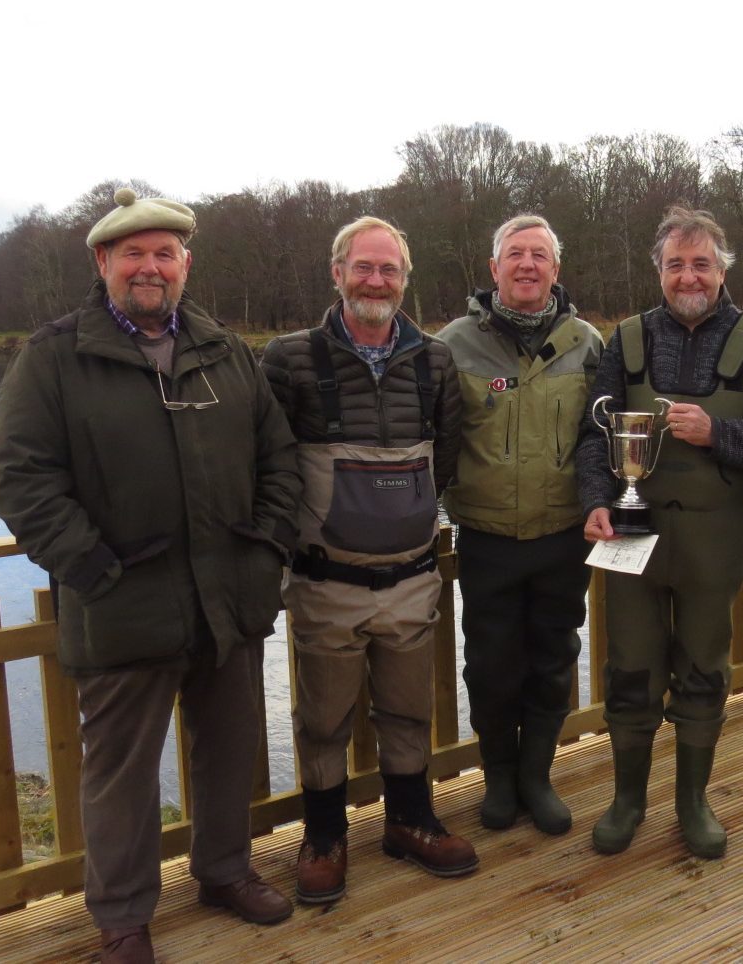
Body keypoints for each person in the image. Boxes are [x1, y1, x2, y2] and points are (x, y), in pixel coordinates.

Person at [0, 189, 298, 964]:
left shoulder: (225, 350)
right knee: (121, 774)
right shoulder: (54, 357)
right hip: (122, 602)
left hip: (226, 597)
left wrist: (267, 551)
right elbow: (20, 480)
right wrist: (92, 566)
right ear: (103, 263)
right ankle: (123, 919)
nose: (150, 267)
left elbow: (278, 460)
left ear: (186, 264)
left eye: (164, 254)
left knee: (229, 749)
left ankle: (225, 872)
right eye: (134, 254)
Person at [576, 206, 743, 859]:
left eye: (700, 263)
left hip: (714, 534)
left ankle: (692, 802)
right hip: (628, 528)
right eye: (675, 264)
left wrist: (719, 432)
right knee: (629, 668)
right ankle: (627, 802)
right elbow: (592, 440)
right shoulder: (622, 340)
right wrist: (596, 499)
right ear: (658, 270)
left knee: (705, 668)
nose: (688, 276)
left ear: (722, 268)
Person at [261, 216, 471, 906]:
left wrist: (400, 522)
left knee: (410, 711)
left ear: (405, 280)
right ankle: (323, 837)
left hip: (412, 578)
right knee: (322, 719)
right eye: (364, 267)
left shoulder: (436, 360)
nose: (376, 281)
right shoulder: (288, 360)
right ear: (337, 272)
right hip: (326, 582)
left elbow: (447, 455)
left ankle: (409, 821)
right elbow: (267, 465)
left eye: (389, 270)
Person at [438, 215, 604, 835]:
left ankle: (537, 775)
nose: (527, 264)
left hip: (563, 535)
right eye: (515, 254)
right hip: (486, 538)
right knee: (490, 665)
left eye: (539, 255)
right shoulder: (452, 345)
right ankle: (499, 776)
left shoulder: (587, 343)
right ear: (494, 269)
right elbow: (434, 439)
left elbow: (602, 437)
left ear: (556, 270)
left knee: (554, 659)